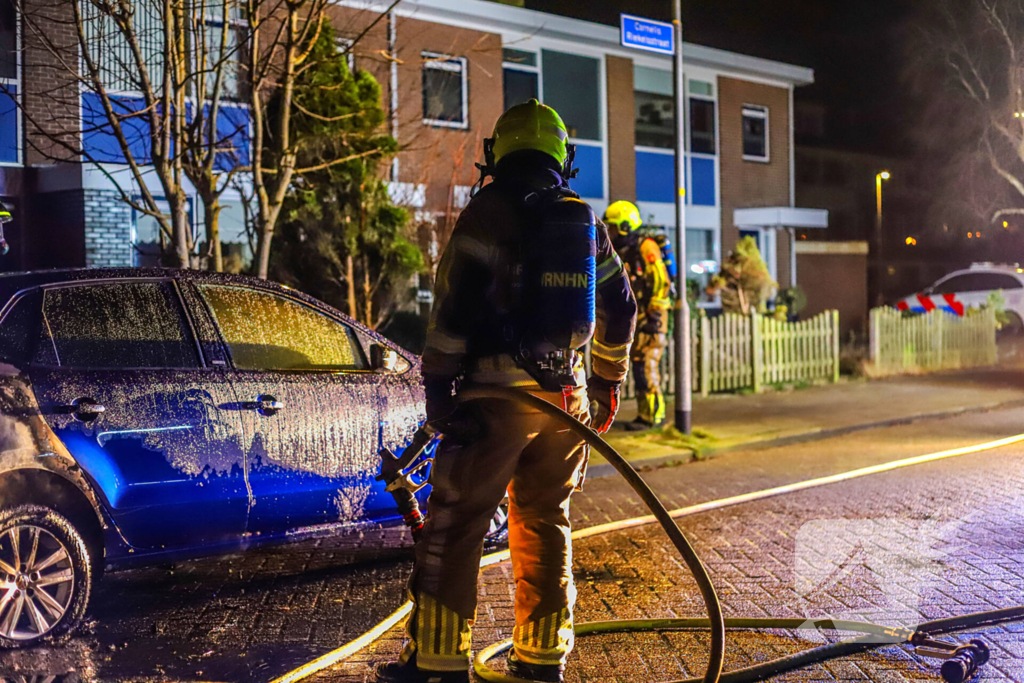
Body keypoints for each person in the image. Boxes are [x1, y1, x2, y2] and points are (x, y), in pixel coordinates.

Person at [373, 100, 636, 683]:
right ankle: (541, 658)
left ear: (498, 153)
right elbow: (621, 307)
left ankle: (437, 662)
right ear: (563, 157)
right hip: (565, 401)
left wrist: (438, 390)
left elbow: (452, 309)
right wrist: (605, 383)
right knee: (546, 520)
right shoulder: (582, 219)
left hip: (494, 399)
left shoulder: (486, 214)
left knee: (457, 525)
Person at [603, 200, 672, 431]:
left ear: (625, 227)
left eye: (613, 227)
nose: (610, 232)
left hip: (652, 319)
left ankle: (653, 417)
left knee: (646, 366)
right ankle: (647, 414)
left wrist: (654, 317)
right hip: (640, 318)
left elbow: (661, 282)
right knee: (640, 366)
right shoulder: (625, 252)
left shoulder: (646, 248)